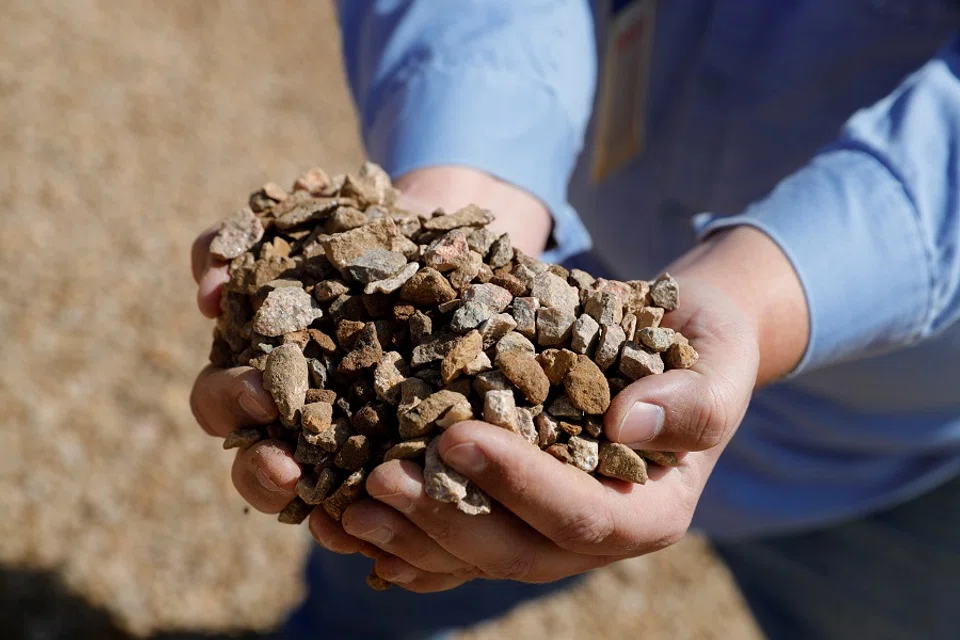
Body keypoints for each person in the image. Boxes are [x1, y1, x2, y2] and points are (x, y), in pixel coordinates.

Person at [189, 2, 960, 638]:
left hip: (886, 445)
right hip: (561, 271)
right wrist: (466, 186)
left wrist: (760, 294)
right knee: (378, 565)